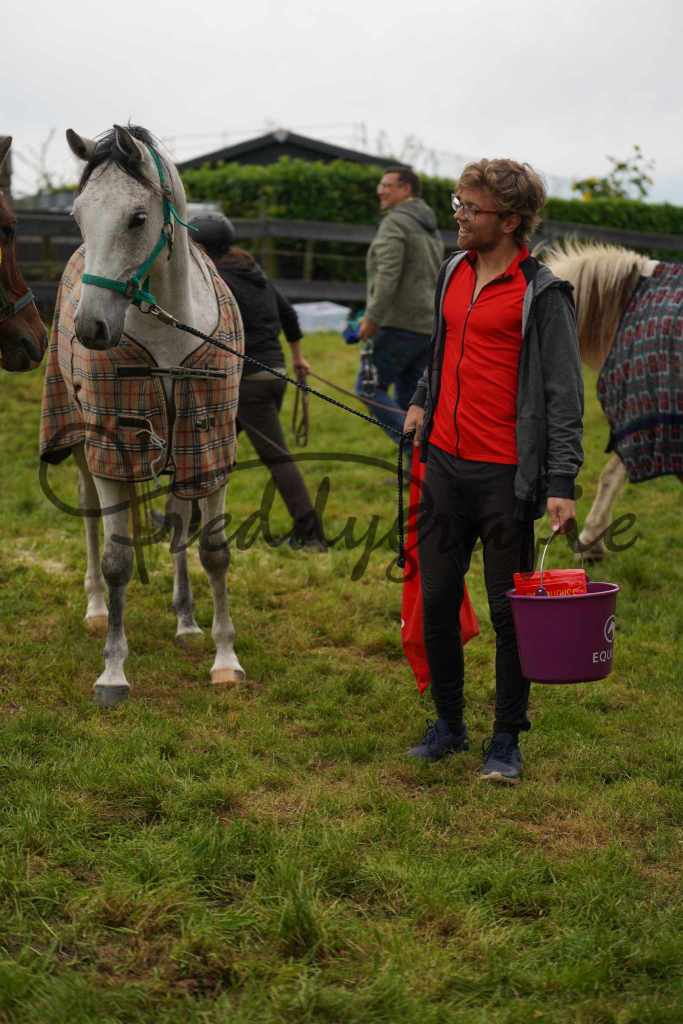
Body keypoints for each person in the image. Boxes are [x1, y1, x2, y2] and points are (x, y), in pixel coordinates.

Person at [403, 159, 584, 783]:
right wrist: (421, 400)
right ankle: (449, 724)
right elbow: (441, 349)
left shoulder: (543, 294)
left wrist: (561, 483)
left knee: (509, 614)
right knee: (436, 602)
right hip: (444, 466)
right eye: (457, 204)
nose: (458, 216)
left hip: (507, 477)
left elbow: (564, 394)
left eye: (469, 208)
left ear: (508, 221)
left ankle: (506, 738)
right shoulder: (452, 270)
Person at [190, 213, 326, 550]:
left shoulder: (214, 280)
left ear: (201, 247)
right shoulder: (253, 273)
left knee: (275, 457)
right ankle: (184, 518)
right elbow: (289, 315)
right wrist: (297, 358)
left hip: (247, 383)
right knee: (204, 450)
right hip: (273, 374)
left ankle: (311, 534)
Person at [356, 167, 444, 441]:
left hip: (398, 323)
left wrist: (373, 317)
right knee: (411, 400)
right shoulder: (429, 225)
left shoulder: (396, 222)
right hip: (427, 325)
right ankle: (422, 461)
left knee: (368, 388)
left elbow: (388, 274)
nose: (380, 191)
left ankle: (410, 446)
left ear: (406, 189)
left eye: (387, 186)